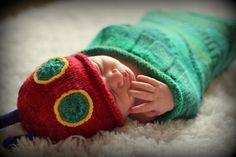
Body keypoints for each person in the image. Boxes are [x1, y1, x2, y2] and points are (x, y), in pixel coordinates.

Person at [0, 11, 235, 144]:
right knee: (224, 36)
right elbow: (192, 91)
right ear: (114, 121)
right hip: (198, 45)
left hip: (161, 23)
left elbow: (110, 35)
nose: (116, 76)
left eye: (100, 67)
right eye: (113, 93)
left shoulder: (104, 47)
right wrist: (172, 98)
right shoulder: (142, 109)